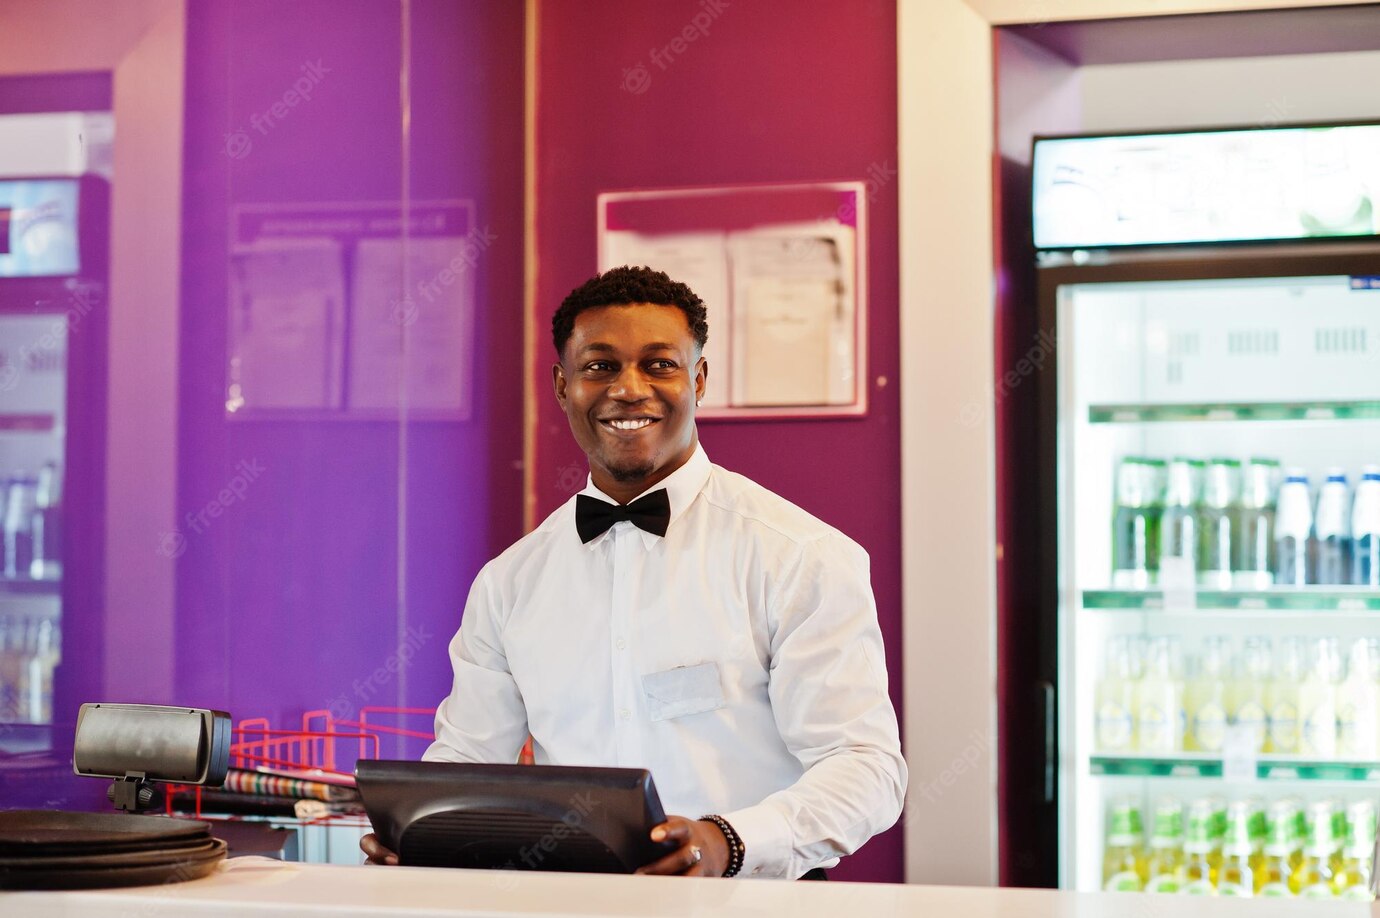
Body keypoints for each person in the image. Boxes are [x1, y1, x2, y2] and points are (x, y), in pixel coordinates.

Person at [361, 265, 905, 878]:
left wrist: (730, 840)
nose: (628, 389)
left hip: (756, 903)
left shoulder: (799, 556)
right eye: (599, 366)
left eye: (659, 364)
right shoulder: (509, 582)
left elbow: (866, 767)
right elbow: (467, 755)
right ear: (563, 387)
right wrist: (419, 826)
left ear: (698, 380)